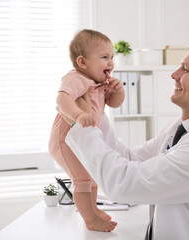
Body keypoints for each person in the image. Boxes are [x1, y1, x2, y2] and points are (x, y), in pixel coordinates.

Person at [64, 40, 189, 239]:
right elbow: (131, 157)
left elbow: (123, 185)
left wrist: (81, 124)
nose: (174, 74)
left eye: (185, 70)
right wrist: (94, 112)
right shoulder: (183, 126)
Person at [48, 29, 124, 232]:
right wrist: (78, 115)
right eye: (104, 57)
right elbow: (62, 99)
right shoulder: (76, 78)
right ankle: (89, 219)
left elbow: (114, 104)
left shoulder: (98, 83)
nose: (110, 62)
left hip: (78, 139)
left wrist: (118, 91)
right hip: (64, 140)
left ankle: (93, 210)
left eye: (112, 57)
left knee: (92, 175)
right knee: (82, 179)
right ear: (82, 62)